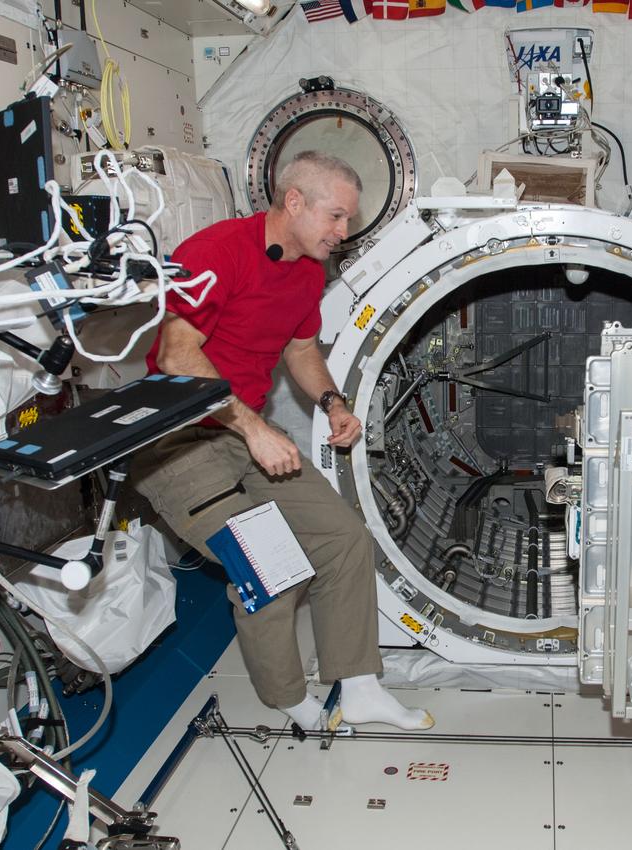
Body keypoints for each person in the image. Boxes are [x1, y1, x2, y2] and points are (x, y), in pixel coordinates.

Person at [132, 151, 432, 731]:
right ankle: (290, 700)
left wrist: (333, 402)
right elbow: (175, 355)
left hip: (243, 434)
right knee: (267, 568)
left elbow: (300, 351)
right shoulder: (215, 253)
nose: (344, 233)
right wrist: (254, 428)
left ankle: (360, 686)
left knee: (344, 539)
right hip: (179, 443)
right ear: (294, 202)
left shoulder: (303, 270)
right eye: (337, 218)